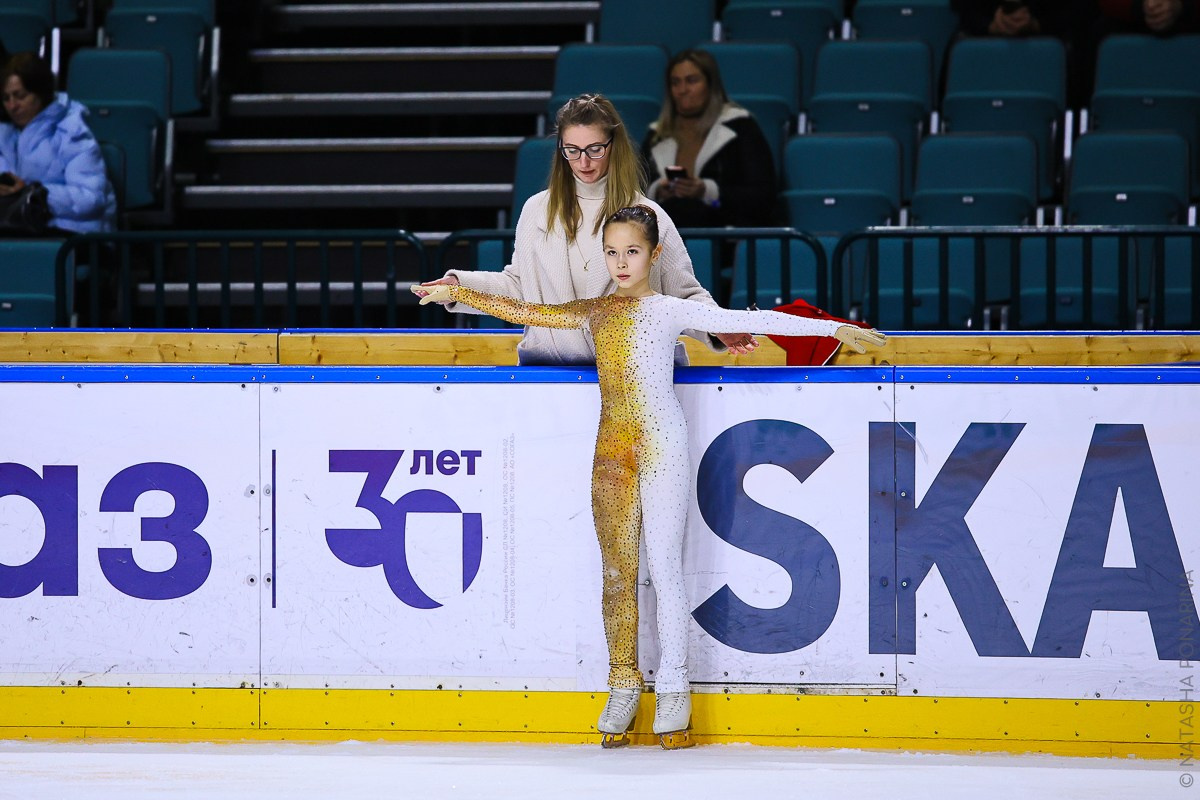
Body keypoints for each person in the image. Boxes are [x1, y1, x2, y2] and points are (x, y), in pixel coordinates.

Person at [414, 205, 886, 749]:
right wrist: (455, 294)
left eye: (631, 252)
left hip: (662, 447)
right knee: (617, 573)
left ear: (654, 255)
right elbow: (521, 308)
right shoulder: (593, 311)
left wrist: (838, 328)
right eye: (611, 251)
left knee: (663, 568)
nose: (620, 262)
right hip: (611, 453)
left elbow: (748, 320)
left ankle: (674, 687)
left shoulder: (667, 311)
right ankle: (622, 684)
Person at [416, 93, 757, 365]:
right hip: (549, 379)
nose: (584, 162)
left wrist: (718, 326)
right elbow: (519, 286)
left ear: (613, 145)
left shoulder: (648, 214)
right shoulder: (537, 210)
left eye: (595, 149)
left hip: (632, 385)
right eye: (572, 151)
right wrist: (461, 287)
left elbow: (684, 295)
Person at [640, 49, 777, 228]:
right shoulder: (656, 134)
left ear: (711, 85)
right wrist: (658, 191)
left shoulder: (740, 126)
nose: (682, 90)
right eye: (675, 83)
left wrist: (706, 191)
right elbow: (635, 191)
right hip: (665, 233)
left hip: (724, 233)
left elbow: (762, 195)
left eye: (691, 80)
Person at [0, 52, 117, 234]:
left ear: (40, 93)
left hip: (73, 237)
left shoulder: (72, 131)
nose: (12, 106)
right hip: (21, 233)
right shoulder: (4, 136)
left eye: (20, 96)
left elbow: (91, 199)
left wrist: (36, 195)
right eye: (6, 98)